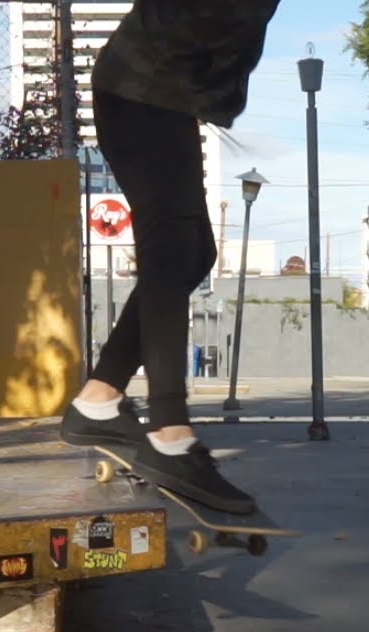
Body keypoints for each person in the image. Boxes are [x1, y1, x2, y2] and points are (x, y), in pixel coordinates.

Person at [59, 0, 283, 515]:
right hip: (141, 91)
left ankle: (99, 397)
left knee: (194, 252)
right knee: (172, 246)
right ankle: (170, 433)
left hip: (162, 97)